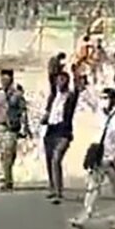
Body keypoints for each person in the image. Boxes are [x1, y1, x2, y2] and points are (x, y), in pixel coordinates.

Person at [70, 88, 115, 229]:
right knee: (93, 187)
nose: (105, 101)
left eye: (107, 98)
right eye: (103, 98)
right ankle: (84, 216)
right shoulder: (100, 114)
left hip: (113, 158)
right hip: (99, 156)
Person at [41, 69, 84, 203]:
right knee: (49, 159)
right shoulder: (53, 96)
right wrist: (45, 118)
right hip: (51, 129)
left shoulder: (70, 96)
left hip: (63, 130)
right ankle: (53, 187)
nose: (60, 82)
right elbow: (49, 111)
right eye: (58, 80)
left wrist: (76, 74)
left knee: (56, 158)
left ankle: (59, 190)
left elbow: (77, 91)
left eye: (63, 80)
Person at [0, 69, 28, 192]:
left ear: (11, 80)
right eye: (2, 79)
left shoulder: (17, 95)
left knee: (9, 153)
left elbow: (23, 111)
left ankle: (7, 179)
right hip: (0, 126)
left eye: (6, 79)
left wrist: (25, 127)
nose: (4, 82)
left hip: (11, 128)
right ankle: (6, 178)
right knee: (2, 153)